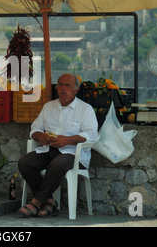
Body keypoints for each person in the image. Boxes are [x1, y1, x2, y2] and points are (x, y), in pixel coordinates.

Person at [17, 73, 98, 217]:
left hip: (73, 154)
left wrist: (67, 140)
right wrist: (41, 136)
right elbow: (35, 129)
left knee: (57, 165)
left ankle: (36, 202)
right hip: (48, 149)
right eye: (60, 85)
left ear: (76, 89)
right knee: (25, 163)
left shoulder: (85, 109)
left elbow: (91, 135)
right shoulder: (49, 107)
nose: (63, 88)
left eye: (68, 85)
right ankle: (49, 202)